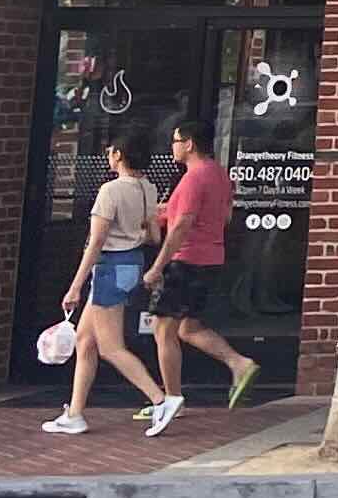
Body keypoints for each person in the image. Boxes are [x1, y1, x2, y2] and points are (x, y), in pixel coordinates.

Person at [43, 129, 172, 438]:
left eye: (111, 151)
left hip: (109, 268)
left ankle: (160, 400)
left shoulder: (110, 191)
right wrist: (133, 235)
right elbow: (154, 236)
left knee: (111, 347)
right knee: (85, 341)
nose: (108, 156)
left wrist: (75, 286)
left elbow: (96, 243)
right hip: (132, 265)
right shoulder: (148, 188)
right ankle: (74, 413)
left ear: (119, 155)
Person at [142, 114, 258, 421]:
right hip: (211, 258)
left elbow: (182, 226)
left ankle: (171, 398)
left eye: (176, 141)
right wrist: (164, 211)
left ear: (189, 144)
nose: (172, 147)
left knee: (162, 329)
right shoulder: (218, 174)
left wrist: (157, 266)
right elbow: (223, 216)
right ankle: (238, 363)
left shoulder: (194, 177)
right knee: (188, 327)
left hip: (186, 260)